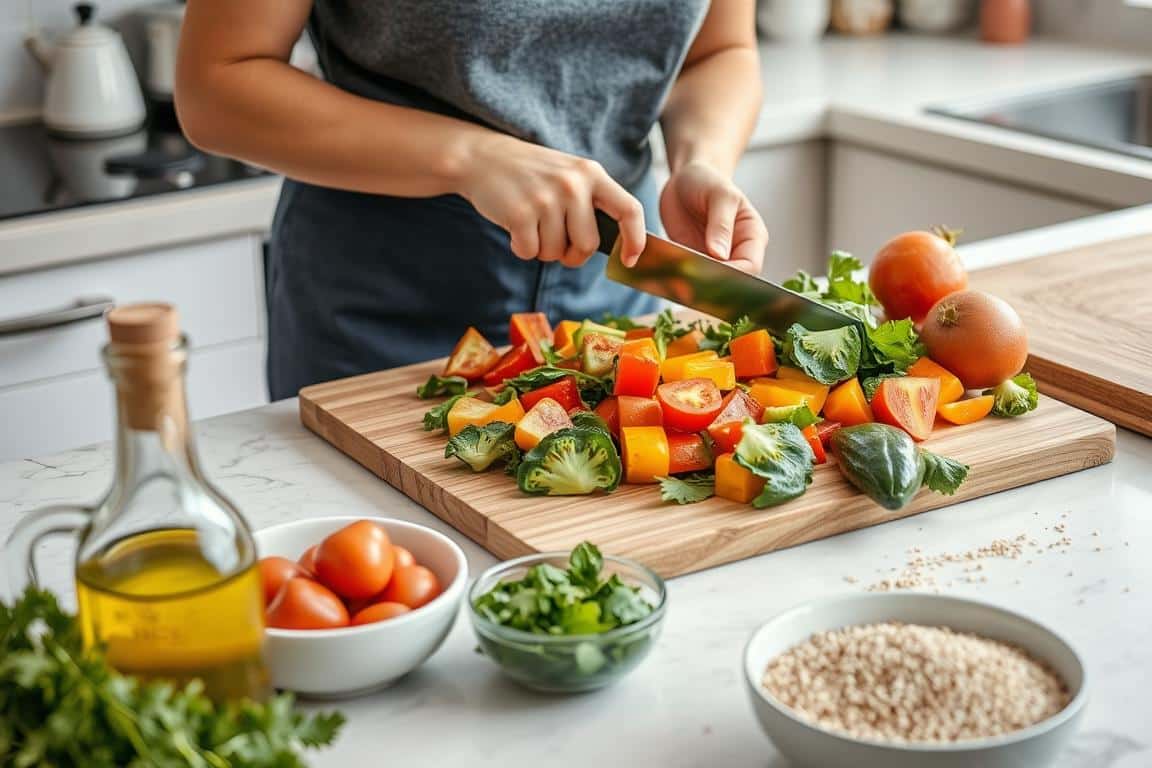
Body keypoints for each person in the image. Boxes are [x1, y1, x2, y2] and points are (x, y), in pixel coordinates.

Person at [176, 1, 768, 400]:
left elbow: (718, 53)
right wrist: (469, 157)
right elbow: (215, 86)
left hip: (613, 286)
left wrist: (702, 159)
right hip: (379, 300)